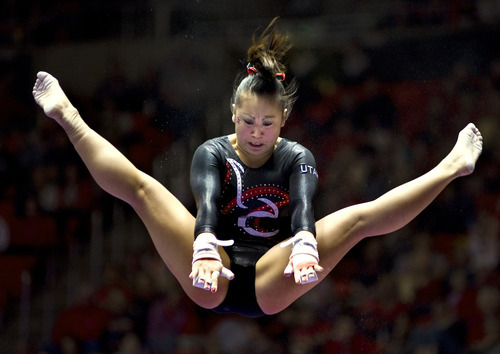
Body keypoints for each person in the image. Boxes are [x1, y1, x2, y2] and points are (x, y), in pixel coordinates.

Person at [32, 19, 483, 318]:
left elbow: (304, 207)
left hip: (273, 277)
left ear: (283, 122)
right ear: (232, 113)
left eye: (268, 123)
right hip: (211, 270)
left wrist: (306, 245)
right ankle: (70, 118)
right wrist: (205, 249)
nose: (256, 132)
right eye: (248, 121)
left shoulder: (295, 156)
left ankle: (450, 166)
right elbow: (206, 207)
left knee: (358, 220)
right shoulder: (211, 152)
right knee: (143, 190)